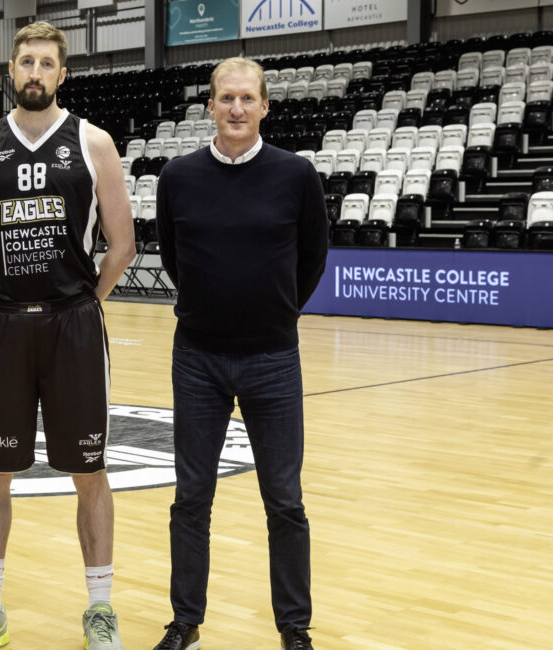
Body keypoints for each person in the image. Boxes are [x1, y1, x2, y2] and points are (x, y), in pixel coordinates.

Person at [0, 20, 136, 650]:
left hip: (73, 327)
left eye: (46, 63)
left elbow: (122, 244)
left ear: (62, 74)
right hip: (1, 326)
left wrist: (82, 303)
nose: (34, 72)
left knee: (91, 471)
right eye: (25, 61)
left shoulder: (94, 143)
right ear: (11, 69)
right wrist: (4, 299)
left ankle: (100, 611)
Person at [151, 57, 329, 650]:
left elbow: (312, 260)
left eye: (247, 99)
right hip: (197, 357)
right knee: (191, 499)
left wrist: (274, 312)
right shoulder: (177, 175)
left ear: (265, 106)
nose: (236, 109)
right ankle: (185, 623)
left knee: (285, 500)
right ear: (209, 106)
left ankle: (294, 628)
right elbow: (174, 259)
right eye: (225, 98)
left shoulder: (297, 174)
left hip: (273, 359)